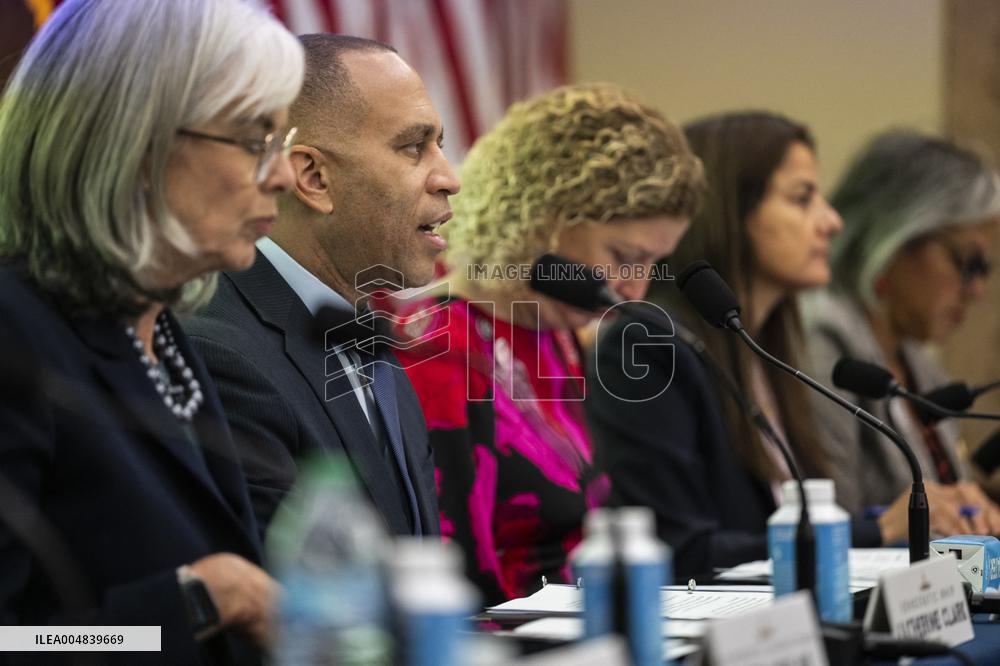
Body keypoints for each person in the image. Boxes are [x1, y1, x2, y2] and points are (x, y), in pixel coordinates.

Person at [0, 0, 304, 663]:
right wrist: (198, 602)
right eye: (256, 139)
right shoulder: (14, 334)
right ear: (137, 143)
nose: (281, 174)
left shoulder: (162, 333)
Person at [389, 84, 704, 603]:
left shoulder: (556, 335)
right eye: (625, 254)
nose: (635, 287)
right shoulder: (441, 353)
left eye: (651, 263)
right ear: (541, 219)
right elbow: (460, 586)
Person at [184, 35, 458, 540]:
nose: (448, 177)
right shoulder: (221, 354)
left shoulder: (364, 330)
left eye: (439, 144)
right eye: (414, 147)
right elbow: (283, 603)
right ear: (313, 177)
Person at [587, 112, 858, 579]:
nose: (831, 221)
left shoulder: (761, 347)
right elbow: (679, 550)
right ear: (731, 210)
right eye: (802, 198)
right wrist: (878, 531)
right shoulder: (646, 343)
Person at [804, 129, 1000, 538]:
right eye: (968, 262)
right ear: (893, 238)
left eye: (985, 269)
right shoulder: (823, 342)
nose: (977, 290)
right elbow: (828, 525)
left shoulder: (920, 363)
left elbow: (950, 514)